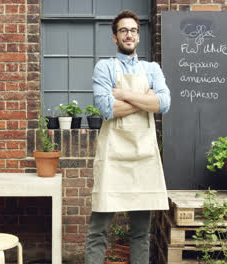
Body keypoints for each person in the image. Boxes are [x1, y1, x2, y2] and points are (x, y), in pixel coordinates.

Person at [85, 10, 171, 264]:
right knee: (98, 230)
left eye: (133, 30)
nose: (129, 35)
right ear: (115, 37)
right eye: (123, 30)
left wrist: (123, 95)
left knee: (141, 233)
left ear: (138, 36)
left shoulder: (151, 68)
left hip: (143, 157)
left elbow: (164, 103)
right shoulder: (104, 67)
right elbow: (107, 109)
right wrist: (145, 99)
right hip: (113, 157)